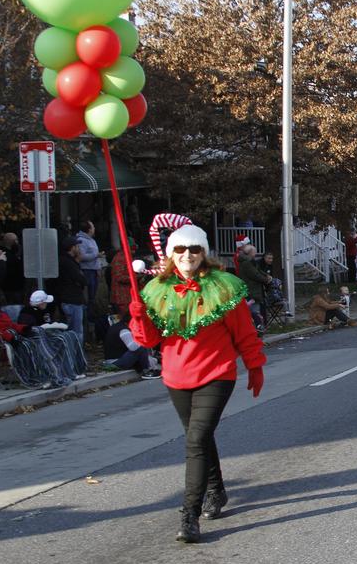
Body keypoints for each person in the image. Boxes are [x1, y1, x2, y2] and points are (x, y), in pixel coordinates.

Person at [128, 223, 265, 543]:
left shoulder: (224, 286)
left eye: (194, 249)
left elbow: (244, 331)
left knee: (195, 439)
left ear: (203, 253)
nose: (187, 255)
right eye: (180, 249)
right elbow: (148, 339)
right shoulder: (155, 289)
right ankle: (216, 491)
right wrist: (138, 316)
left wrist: (255, 365)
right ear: (171, 254)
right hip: (176, 376)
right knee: (198, 439)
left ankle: (189, 515)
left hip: (217, 373)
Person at [103, 309, 160, 378]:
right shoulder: (124, 330)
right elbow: (134, 347)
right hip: (115, 362)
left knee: (140, 348)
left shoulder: (119, 326)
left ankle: (148, 366)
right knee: (140, 347)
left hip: (117, 358)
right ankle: (148, 370)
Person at [57, 236, 87, 341]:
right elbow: (81, 279)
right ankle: (76, 354)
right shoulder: (69, 263)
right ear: (72, 248)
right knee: (76, 331)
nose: (78, 249)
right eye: (77, 246)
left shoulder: (65, 261)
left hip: (69, 299)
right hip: (72, 300)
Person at [237, 244, 271, 330]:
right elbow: (255, 274)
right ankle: (257, 328)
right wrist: (266, 280)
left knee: (255, 309)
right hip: (251, 289)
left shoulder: (250, 261)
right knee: (254, 310)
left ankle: (258, 327)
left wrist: (266, 275)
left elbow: (258, 270)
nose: (255, 254)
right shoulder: (247, 263)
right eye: (254, 252)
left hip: (253, 288)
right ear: (251, 253)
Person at [76, 220, 102, 309]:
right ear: (89, 229)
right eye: (93, 227)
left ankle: (92, 313)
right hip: (87, 270)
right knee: (88, 295)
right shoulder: (81, 240)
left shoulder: (92, 240)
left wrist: (98, 268)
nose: (94, 228)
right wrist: (96, 255)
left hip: (94, 270)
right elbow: (82, 256)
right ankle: (88, 316)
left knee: (93, 295)